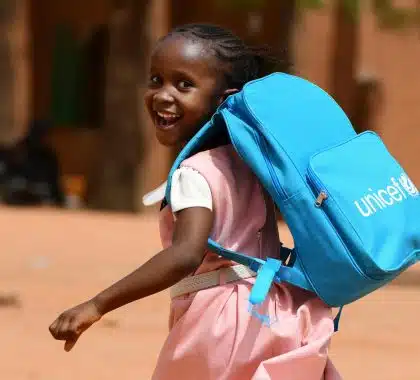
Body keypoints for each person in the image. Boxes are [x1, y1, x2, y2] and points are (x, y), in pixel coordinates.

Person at [49, 24, 341, 379]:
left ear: (223, 100)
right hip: (272, 310)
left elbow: (186, 253)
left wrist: (97, 304)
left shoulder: (194, 172)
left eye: (184, 85)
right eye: (156, 79)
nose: (162, 94)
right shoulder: (249, 165)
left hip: (219, 321)